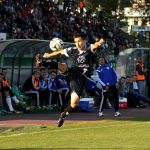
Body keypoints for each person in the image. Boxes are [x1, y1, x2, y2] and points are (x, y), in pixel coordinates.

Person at [41, 32, 104, 127]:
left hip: (79, 79)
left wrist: (99, 42)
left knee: (74, 104)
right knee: (63, 66)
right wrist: (49, 55)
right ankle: (42, 63)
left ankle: (62, 116)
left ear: (84, 41)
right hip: (72, 72)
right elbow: (60, 51)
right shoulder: (72, 50)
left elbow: (95, 46)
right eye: (75, 42)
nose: (77, 44)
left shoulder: (89, 49)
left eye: (79, 41)